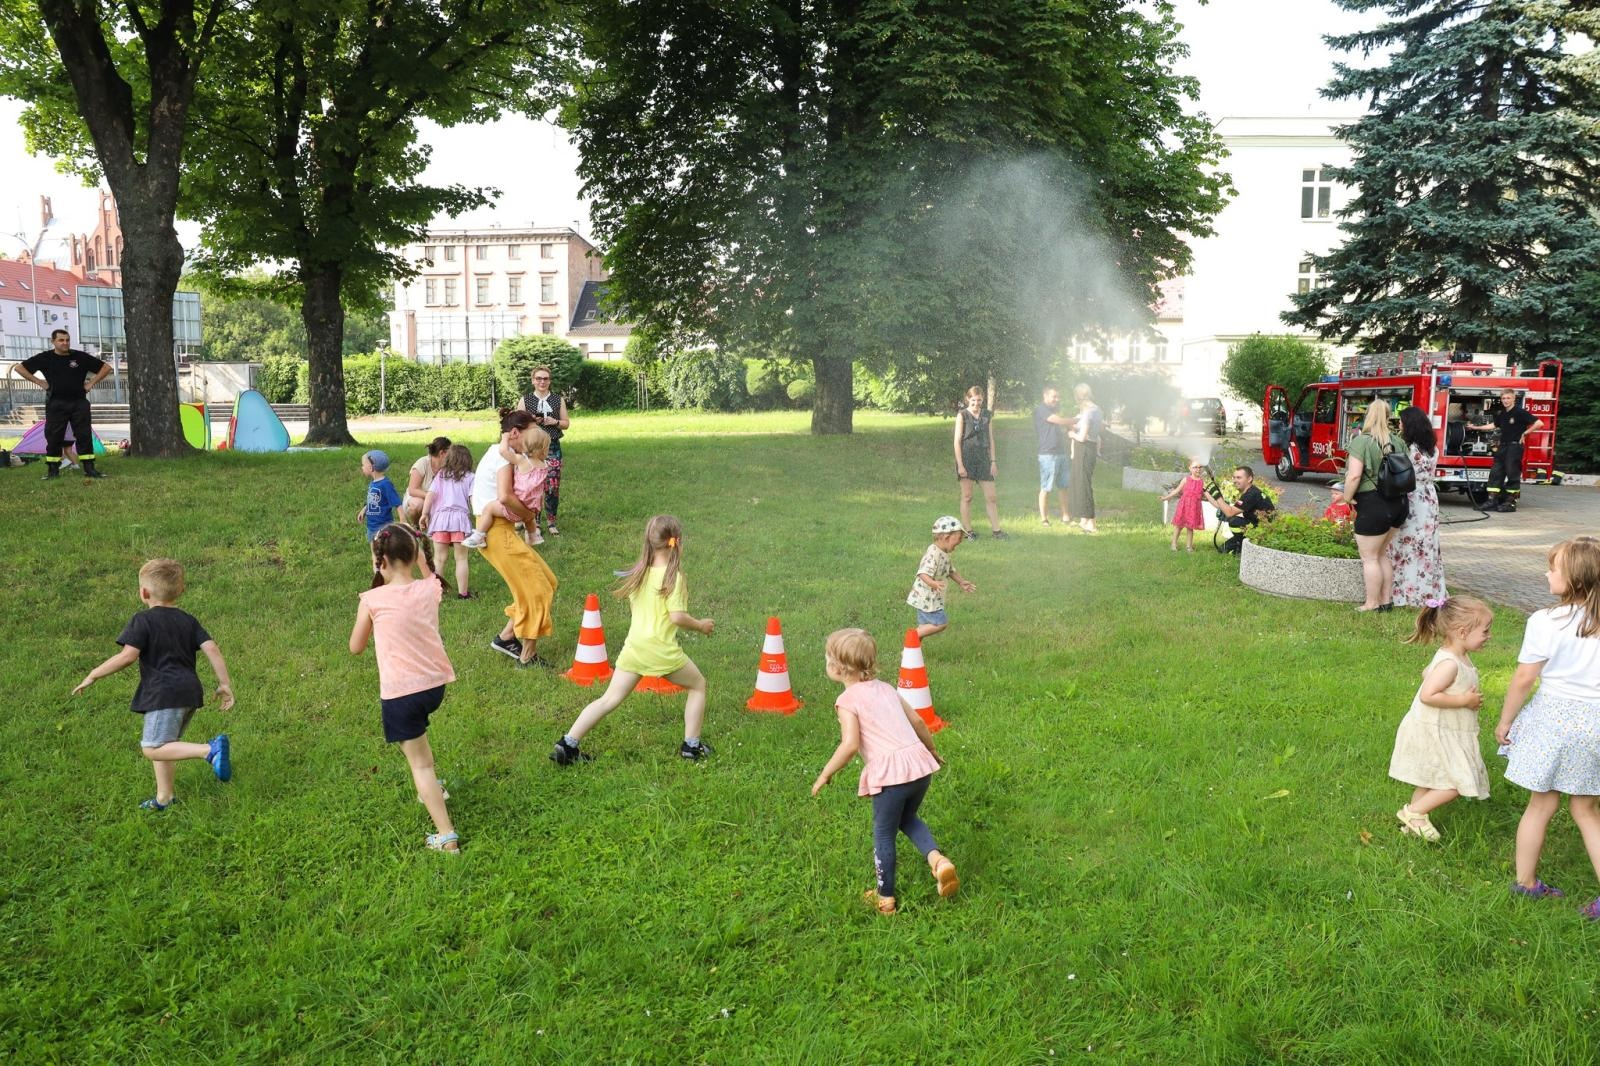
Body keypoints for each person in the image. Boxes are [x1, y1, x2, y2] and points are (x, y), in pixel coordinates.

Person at [811, 627, 959, 915]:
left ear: (838, 668)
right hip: (919, 769)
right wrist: (931, 752)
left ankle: (885, 899)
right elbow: (917, 722)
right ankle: (938, 861)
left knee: (883, 835)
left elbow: (850, 744)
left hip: (892, 777)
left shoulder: (846, 701)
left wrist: (825, 773)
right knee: (908, 818)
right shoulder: (888, 689)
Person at [551, 514, 714, 765]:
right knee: (698, 685)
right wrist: (701, 625)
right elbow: (678, 617)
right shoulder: (674, 577)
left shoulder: (638, 574)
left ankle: (567, 744)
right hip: (661, 650)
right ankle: (691, 747)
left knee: (608, 699)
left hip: (634, 649)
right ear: (677, 542)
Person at [72, 559, 234, 810]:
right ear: (181, 590)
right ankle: (164, 798)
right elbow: (212, 647)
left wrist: (93, 674)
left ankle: (209, 751)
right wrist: (224, 684)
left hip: (163, 694)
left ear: (143, 593)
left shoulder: (143, 620)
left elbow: (127, 656)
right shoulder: (188, 620)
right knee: (167, 745)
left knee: (153, 747)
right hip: (189, 692)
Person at [1495, 536, 1600, 916]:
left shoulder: (1545, 621)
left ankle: (1526, 884)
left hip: (1554, 721)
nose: (1546, 573)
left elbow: (1524, 679)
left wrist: (1506, 720)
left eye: (1552, 568)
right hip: (1596, 724)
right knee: (1586, 810)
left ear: (1571, 578)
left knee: (1541, 804)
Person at [349, 525, 460, 853]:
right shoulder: (430, 590)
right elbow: (432, 577)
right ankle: (432, 787)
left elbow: (355, 647)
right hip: (434, 688)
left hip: (401, 695)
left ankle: (447, 837)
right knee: (415, 746)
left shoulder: (372, 600)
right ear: (415, 555)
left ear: (378, 560)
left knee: (420, 766)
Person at [1389, 595, 1493, 841]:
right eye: (1485, 631)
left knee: (1429, 778)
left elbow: (1428, 673)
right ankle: (1413, 812)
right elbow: (1428, 694)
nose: (1489, 636)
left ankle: (1413, 825)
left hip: (1445, 729)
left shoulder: (1454, 656)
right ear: (1462, 631)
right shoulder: (1451, 664)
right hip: (1436, 730)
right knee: (1457, 783)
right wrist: (1464, 701)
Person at [471, 410, 558, 666]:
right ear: (515, 433)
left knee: (548, 582)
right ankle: (527, 656)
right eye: (531, 433)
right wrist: (530, 519)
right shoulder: (504, 459)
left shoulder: (514, 456)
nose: (534, 440)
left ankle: (506, 637)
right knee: (536, 589)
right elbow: (506, 497)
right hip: (495, 530)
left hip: (503, 528)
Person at [12, 329, 110, 479]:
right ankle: (53, 471)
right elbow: (19, 368)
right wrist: (39, 382)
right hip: (56, 403)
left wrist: (91, 384)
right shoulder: (45, 358)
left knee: (84, 435)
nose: (65, 343)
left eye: (67, 340)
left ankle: (90, 469)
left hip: (79, 403)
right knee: (54, 437)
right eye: (61, 340)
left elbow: (106, 368)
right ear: (53, 342)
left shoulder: (79, 357)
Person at [1341, 400, 1407, 610]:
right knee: (1381, 554)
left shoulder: (1361, 442)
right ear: (1389, 416)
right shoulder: (1398, 441)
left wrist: (1347, 497)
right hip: (1399, 503)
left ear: (1368, 415)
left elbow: (1354, 476)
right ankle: (1386, 601)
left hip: (1373, 503)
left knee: (1369, 558)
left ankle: (1371, 603)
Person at [1387, 405, 1447, 607]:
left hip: (1412, 495)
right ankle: (1428, 588)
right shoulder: (1432, 449)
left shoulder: (1409, 449)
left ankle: (1406, 591)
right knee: (1427, 543)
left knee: (1407, 542)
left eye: (1402, 422)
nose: (1400, 426)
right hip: (1429, 496)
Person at [464, 427, 550, 548]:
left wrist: (505, 438)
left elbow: (503, 451)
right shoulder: (544, 465)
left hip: (516, 506)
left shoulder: (522, 460)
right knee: (530, 519)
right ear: (545, 448)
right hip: (533, 506)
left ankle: (479, 535)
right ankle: (533, 535)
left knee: (488, 508)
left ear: (525, 444)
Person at [1468, 388, 1543, 513]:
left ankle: (1510, 502)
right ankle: (1492, 501)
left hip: (1514, 447)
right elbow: (1493, 425)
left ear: (1514, 399)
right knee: (1495, 473)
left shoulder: (1520, 412)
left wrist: (1525, 433)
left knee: (1512, 473)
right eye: (1503, 398)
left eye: (1508, 398)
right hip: (1502, 446)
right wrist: (1476, 427)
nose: (1505, 400)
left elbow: (1539, 423)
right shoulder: (1502, 413)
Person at [518, 366, 570, 537]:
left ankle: (552, 521)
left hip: (553, 446)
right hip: (531, 448)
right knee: (534, 486)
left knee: (552, 486)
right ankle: (535, 521)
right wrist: (532, 421)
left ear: (550, 381)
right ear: (533, 380)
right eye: (539, 378)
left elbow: (566, 423)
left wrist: (554, 421)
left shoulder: (557, 400)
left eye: (545, 378)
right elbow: (517, 423)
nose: (542, 381)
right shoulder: (525, 400)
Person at [420, 443, 475, 599]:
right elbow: (472, 499)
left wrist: (424, 514)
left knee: (439, 558)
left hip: (440, 520)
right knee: (461, 558)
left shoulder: (441, 475)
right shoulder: (471, 477)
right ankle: (463, 593)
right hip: (460, 521)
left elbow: (430, 495)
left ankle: (436, 594)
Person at [907, 515, 975, 640]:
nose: (960, 542)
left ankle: (911, 652)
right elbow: (922, 573)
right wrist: (933, 583)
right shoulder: (933, 553)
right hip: (927, 597)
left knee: (924, 627)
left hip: (932, 597)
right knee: (941, 623)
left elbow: (950, 571)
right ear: (946, 537)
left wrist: (961, 582)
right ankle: (913, 636)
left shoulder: (944, 553)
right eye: (959, 538)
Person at [954, 386, 1005, 540]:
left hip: (983, 459)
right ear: (968, 399)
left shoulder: (987, 416)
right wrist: (960, 465)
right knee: (967, 496)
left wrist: (993, 461)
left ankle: (997, 531)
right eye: (973, 400)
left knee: (991, 497)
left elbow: (991, 440)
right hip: (967, 459)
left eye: (979, 400)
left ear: (983, 400)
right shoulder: (962, 415)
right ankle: (968, 531)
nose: (976, 403)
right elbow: (957, 442)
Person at [1208, 465, 1275, 555]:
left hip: (1263, 532)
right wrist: (1206, 492)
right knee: (1222, 550)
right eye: (1234, 477)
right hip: (1255, 526)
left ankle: (1241, 548)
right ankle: (1240, 544)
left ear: (1249, 479)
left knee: (1233, 520)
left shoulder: (1251, 494)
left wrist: (1217, 495)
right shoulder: (1250, 491)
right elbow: (1221, 506)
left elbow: (1229, 513)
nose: (1235, 480)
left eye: (1239, 478)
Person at [1033, 386, 1074, 525]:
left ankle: (1066, 517)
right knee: (1046, 487)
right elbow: (1061, 421)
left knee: (1063, 486)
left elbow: (1063, 425)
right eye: (1054, 396)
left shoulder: (1054, 410)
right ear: (1045, 396)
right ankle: (1044, 519)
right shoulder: (1041, 410)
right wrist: (1079, 419)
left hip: (1061, 452)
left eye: (1058, 397)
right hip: (1047, 454)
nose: (1057, 399)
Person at [1067, 383, 1102, 533]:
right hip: (1091, 448)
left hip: (1084, 449)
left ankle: (1092, 524)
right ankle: (1083, 519)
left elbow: (1081, 437)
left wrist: (1071, 434)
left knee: (1084, 486)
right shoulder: (1097, 409)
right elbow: (1097, 433)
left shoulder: (1088, 412)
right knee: (1081, 484)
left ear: (1080, 397)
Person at [401, 436, 452, 525]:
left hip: (438, 499)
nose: (452, 455)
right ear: (442, 453)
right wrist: (431, 496)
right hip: (418, 498)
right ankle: (416, 526)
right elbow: (412, 490)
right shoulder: (422, 463)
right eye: (450, 452)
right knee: (417, 504)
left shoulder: (448, 467)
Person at [1160, 458, 1207, 552]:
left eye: (1199, 467)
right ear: (1189, 468)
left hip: (1194, 507)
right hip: (1184, 506)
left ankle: (1189, 546)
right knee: (1179, 526)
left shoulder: (1202, 482)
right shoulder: (1186, 479)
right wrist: (1166, 497)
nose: (1198, 469)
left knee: (1190, 527)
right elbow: (1177, 490)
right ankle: (1174, 544)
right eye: (1195, 467)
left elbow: (1206, 494)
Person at [357, 449, 403, 541]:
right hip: (371, 526)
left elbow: (397, 503)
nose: (362, 467)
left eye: (363, 465)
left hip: (383, 527)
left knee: (385, 551)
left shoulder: (385, 484)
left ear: (370, 468)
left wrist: (403, 522)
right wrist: (364, 510)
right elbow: (372, 501)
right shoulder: (373, 483)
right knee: (374, 549)